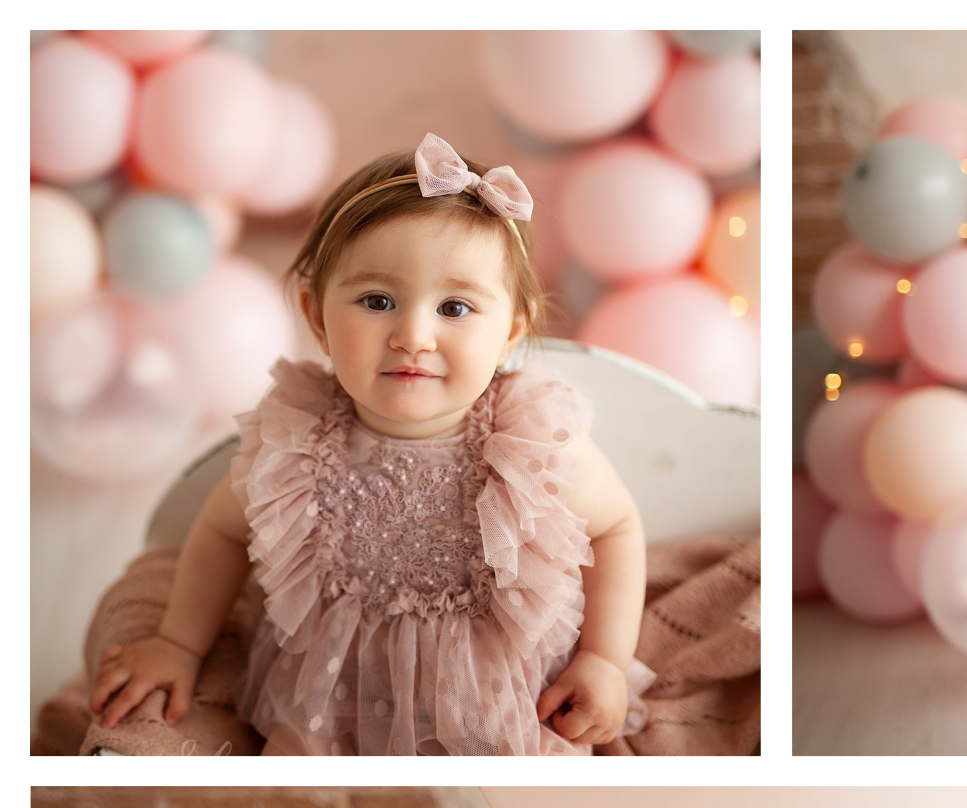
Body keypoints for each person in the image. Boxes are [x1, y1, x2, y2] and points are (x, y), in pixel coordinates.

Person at [89, 137, 647, 754]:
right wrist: (178, 644)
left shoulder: (531, 447)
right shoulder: (297, 445)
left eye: (455, 307)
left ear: (510, 331)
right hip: (331, 698)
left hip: (496, 698)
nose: (414, 336)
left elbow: (617, 526)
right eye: (377, 301)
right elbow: (222, 531)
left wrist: (603, 659)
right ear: (320, 320)